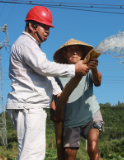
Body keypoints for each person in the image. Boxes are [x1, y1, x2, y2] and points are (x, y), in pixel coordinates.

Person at [6, 6, 89, 160]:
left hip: (27, 106)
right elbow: (44, 67)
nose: (47, 31)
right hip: (28, 107)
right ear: (32, 26)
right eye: (44, 27)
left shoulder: (31, 46)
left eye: (49, 28)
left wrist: (56, 92)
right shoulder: (26, 44)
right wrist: (74, 69)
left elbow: (45, 74)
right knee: (32, 156)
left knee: (28, 154)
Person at [51, 38, 104, 160]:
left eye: (77, 50)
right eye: (71, 50)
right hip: (70, 117)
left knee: (93, 148)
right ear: (65, 54)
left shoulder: (87, 67)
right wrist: (52, 110)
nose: (74, 53)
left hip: (90, 113)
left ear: (82, 54)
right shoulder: (58, 72)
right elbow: (53, 93)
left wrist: (94, 68)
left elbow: (98, 82)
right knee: (69, 153)